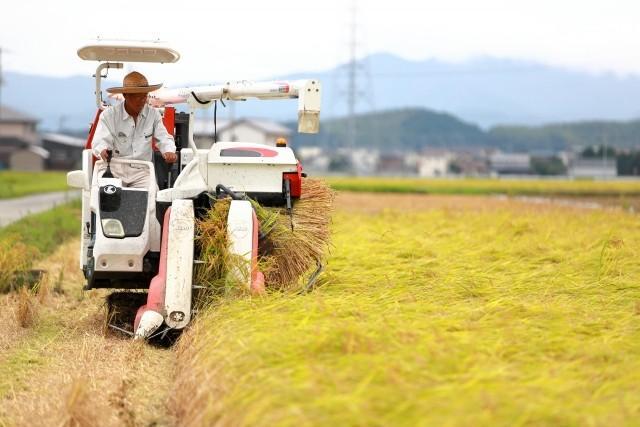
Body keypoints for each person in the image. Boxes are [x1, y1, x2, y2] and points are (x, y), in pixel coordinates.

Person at [92, 71, 177, 187]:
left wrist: (169, 151)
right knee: (104, 195)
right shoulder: (108, 116)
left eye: (145, 96)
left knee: (152, 194)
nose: (143, 100)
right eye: (138, 96)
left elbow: (164, 138)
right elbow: (100, 141)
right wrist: (102, 150)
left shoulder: (153, 114)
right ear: (125, 95)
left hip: (142, 171)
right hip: (114, 168)